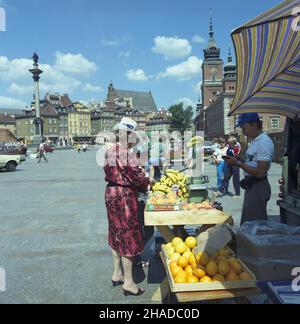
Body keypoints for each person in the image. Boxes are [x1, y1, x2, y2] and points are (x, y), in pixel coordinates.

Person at [104, 117, 150, 297]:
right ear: (128, 134)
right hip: (124, 196)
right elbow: (138, 176)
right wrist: (148, 179)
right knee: (128, 235)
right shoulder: (125, 152)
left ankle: (117, 273)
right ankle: (129, 283)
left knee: (116, 232)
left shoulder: (109, 150)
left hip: (111, 193)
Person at [225, 113, 274, 225]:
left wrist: (238, 163)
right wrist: (241, 160)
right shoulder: (256, 141)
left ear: (254, 125)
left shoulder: (264, 142)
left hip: (258, 185)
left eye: (245, 128)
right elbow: (253, 163)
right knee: (249, 223)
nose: (243, 132)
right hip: (252, 185)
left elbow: (260, 172)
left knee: (255, 226)